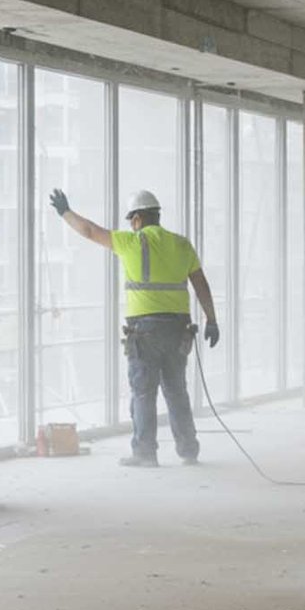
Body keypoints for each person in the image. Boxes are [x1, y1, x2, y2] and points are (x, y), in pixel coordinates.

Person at [49, 187, 220, 465]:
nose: (131, 225)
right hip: (179, 330)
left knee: (143, 392)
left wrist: (65, 212)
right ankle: (188, 450)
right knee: (177, 391)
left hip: (145, 331)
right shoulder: (181, 244)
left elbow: (91, 231)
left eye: (132, 220)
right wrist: (211, 320)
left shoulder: (131, 242)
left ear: (138, 218)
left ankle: (145, 453)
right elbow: (201, 283)